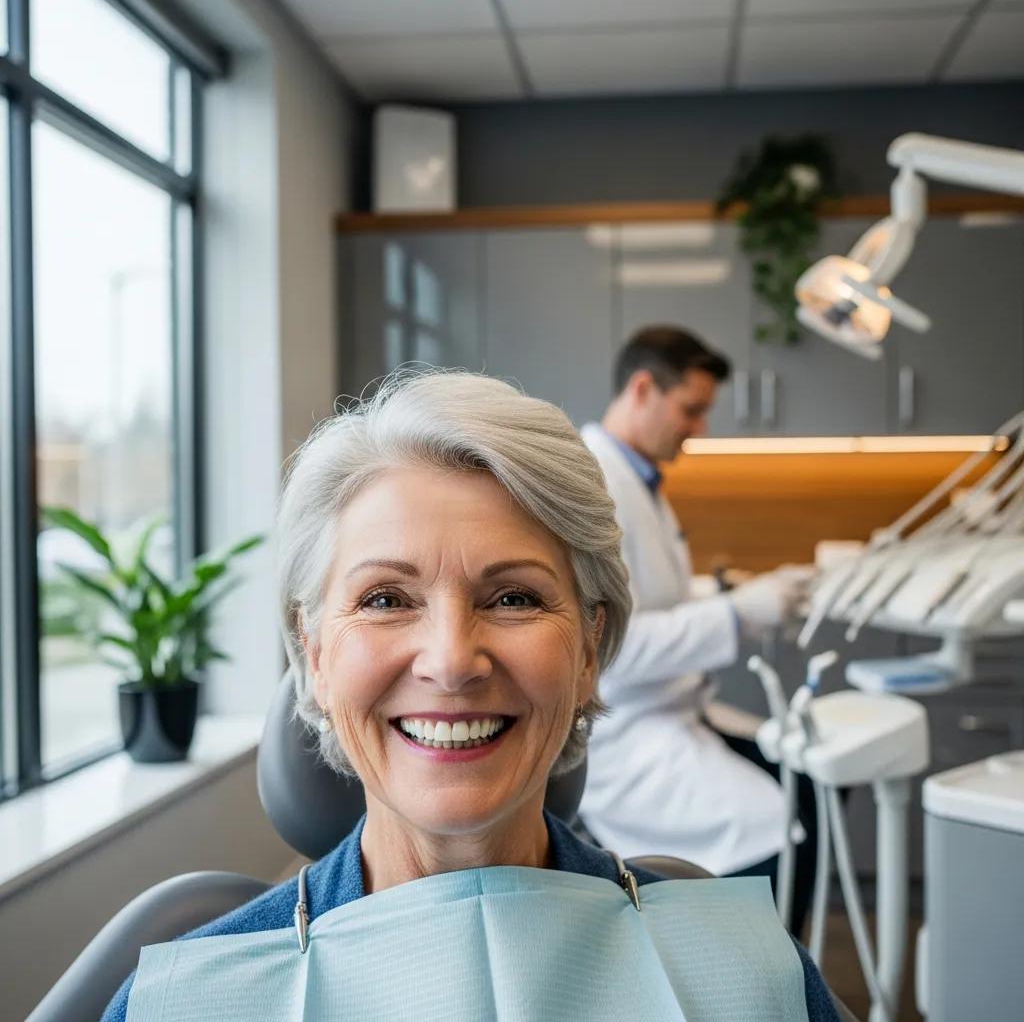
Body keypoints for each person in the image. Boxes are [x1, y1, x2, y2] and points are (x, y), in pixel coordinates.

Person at [101, 370, 837, 1021]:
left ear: (589, 649)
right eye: (386, 599)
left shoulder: (749, 979)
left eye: (514, 597)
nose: (452, 661)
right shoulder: (190, 1005)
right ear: (316, 654)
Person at [579, 325, 817, 930]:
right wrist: (737, 613)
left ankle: (783, 964)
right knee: (777, 828)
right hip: (628, 734)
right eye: (691, 409)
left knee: (808, 784)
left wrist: (738, 596)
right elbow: (612, 646)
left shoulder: (638, 479)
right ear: (642, 389)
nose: (700, 428)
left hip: (672, 712)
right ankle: (760, 970)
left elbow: (653, 599)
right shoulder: (596, 483)